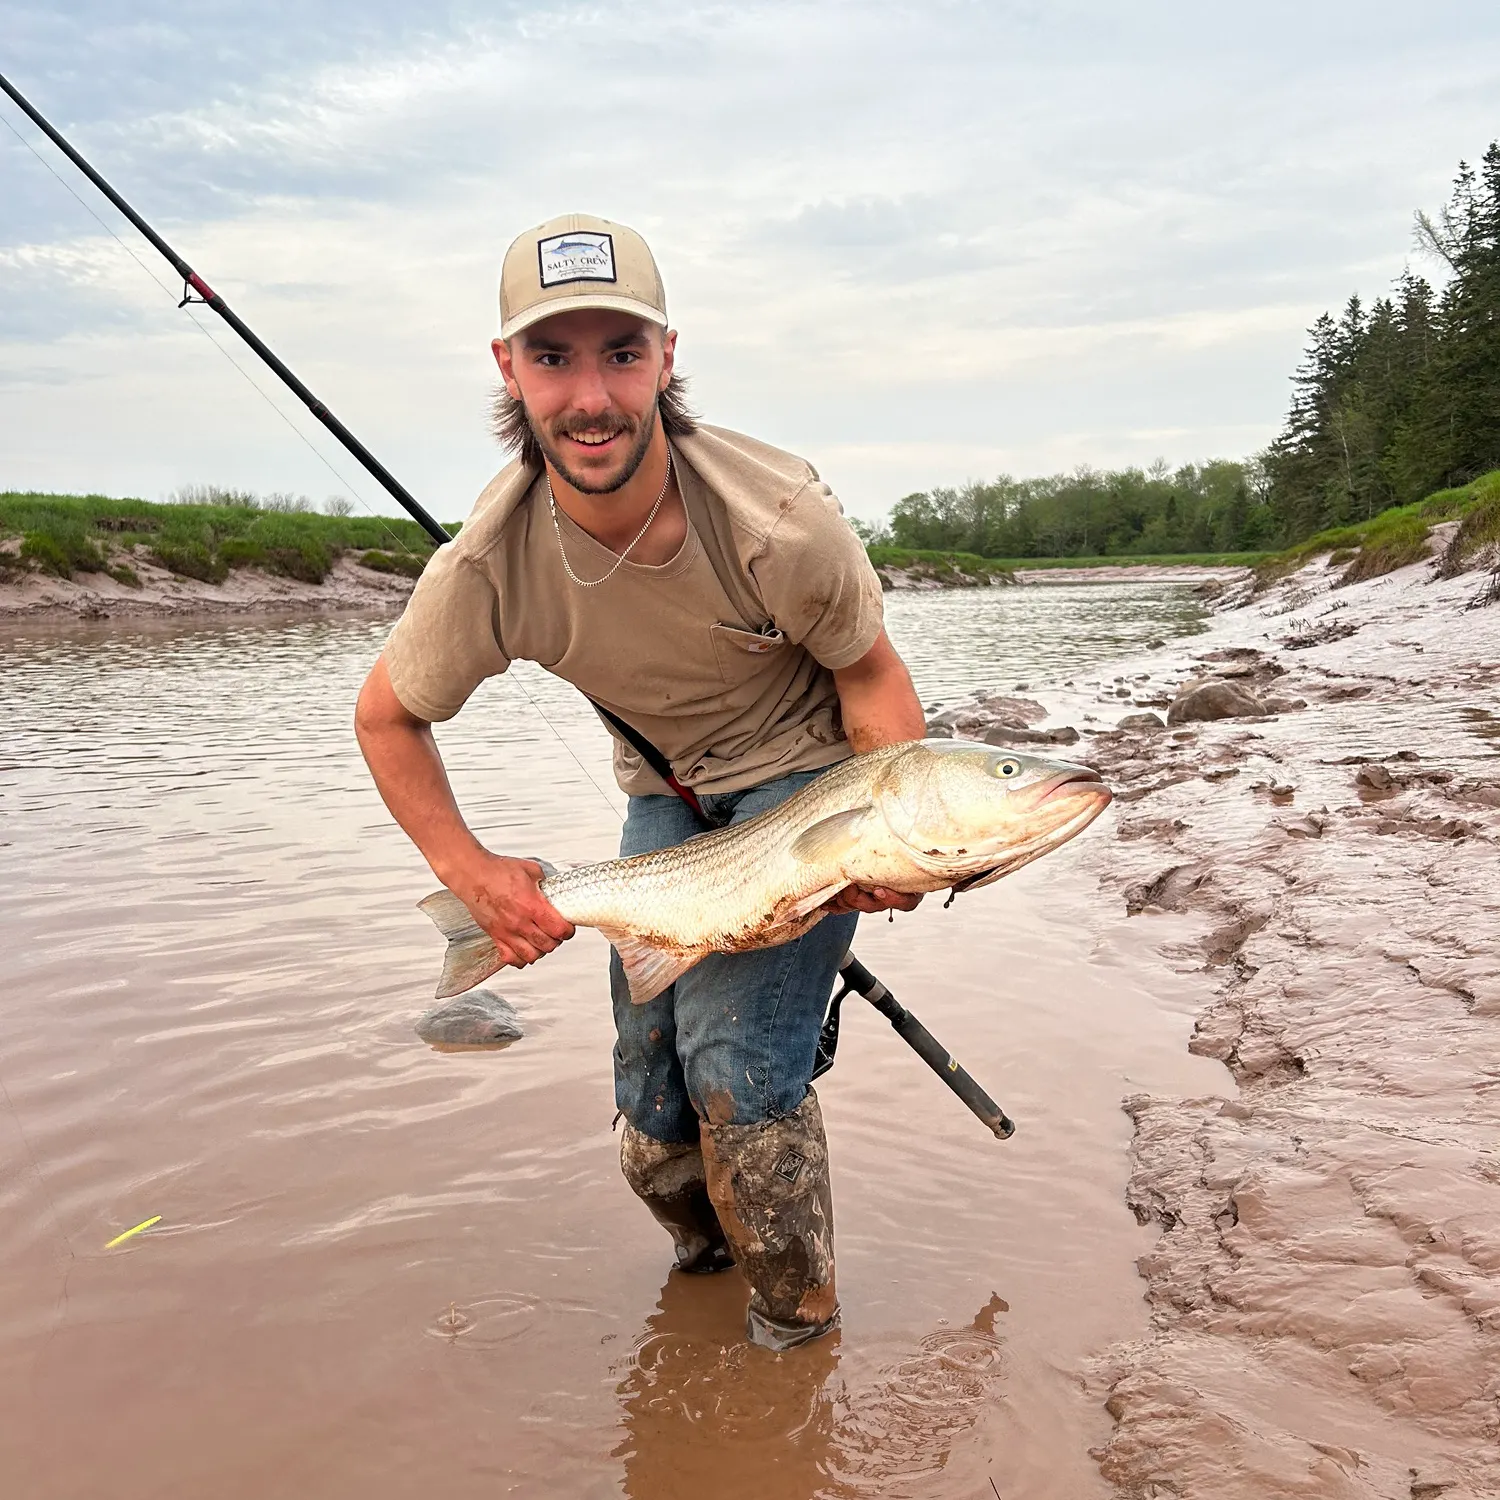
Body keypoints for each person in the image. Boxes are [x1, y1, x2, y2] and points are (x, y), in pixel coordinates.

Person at [354, 213, 926, 1350]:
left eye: (620, 352)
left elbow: (873, 680)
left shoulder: (779, 520)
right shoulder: (488, 563)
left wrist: (880, 836)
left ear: (667, 357)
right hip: (667, 788)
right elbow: (388, 717)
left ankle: (792, 1339)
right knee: (652, 1098)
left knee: (735, 1077)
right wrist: (472, 878)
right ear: (507, 372)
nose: (591, 396)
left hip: (806, 785)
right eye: (553, 357)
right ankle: (704, 1258)